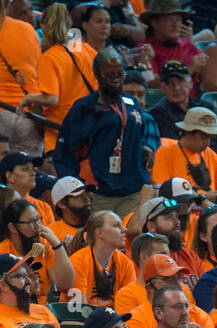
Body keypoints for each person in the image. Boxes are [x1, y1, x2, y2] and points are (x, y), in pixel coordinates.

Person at [54, 49, 160, 218]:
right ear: (96, 74)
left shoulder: (131, 102)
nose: (116, 80)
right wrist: (74, 187)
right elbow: (65, 151)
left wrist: (146, 148)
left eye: (119, 74)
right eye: (109, 75)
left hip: (132, 188)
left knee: (129, 236)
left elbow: (142, 130)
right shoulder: (84, 108)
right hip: (99, 191)